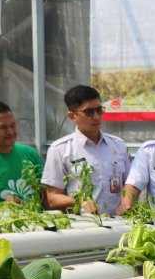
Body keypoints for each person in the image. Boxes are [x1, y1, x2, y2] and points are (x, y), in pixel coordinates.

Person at [42, 85, 131, 216]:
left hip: (118, 225)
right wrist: (79, 201)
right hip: (82, 227)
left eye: (99, 110)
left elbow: (130, 185)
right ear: (72, 116)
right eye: (89, 112)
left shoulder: (118, 146)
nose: (96, 117)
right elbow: (51, 198)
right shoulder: (60, 150)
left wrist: (126, 204)